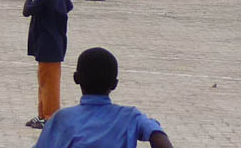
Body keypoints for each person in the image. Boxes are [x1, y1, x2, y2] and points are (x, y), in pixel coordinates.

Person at [33, 47, 174, 147]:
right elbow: (157, 135)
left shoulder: (61, 119)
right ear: (114, 84)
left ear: (76, 78)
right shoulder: (130, 116)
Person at [22, 0, 73, 130]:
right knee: (45, 81)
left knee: (49, 84)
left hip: (47, 45)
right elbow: (69, 6)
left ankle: (50, 117)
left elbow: (27, 11)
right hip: (56, 44)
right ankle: (43, 114)